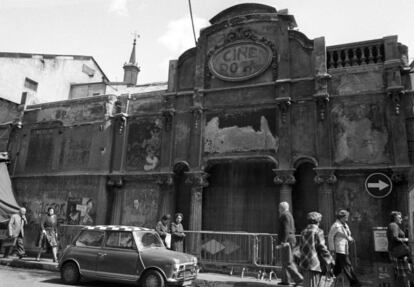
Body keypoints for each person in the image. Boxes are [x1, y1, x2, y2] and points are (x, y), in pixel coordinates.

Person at [299, 212, 334, 287]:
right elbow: (322, 248)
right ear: (317, 221)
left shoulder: (303, 232)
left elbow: (301, 247)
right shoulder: (318, 231)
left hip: (305, 263)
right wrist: (330, 260)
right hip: (314, 264)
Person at [328, 209, 361, 287]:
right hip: (339, 248)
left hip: (345, 248)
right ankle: (355, 283)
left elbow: (347, 234)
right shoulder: (335, 226)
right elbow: (330, 237)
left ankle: (329, 280)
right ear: (342, 217)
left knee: (338, 268)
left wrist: (350, 238)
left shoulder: (345, 225)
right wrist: (332, 249)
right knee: (347, 265)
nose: (347, 218)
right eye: (346, 217)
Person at [278, 201, 303, 286]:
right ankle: (285, 280)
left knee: (288, 261)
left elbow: (286, 229)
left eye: (279, 207)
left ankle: (298, 278)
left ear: (282, 208)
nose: (278, 209)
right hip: (290, 239)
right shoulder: (289, 215)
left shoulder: (285, 215)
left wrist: (284, 241)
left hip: (287, 240)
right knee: (285, 261)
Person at [387, 211, 410, 287]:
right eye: (399, 217)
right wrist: (406, 240)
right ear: (395, 218)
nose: (401, 219)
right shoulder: (394, 225)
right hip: (398, 252)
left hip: (396, 251)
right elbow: (395, 237)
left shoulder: (393, 225)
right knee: (402, 274)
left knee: (400, 274)